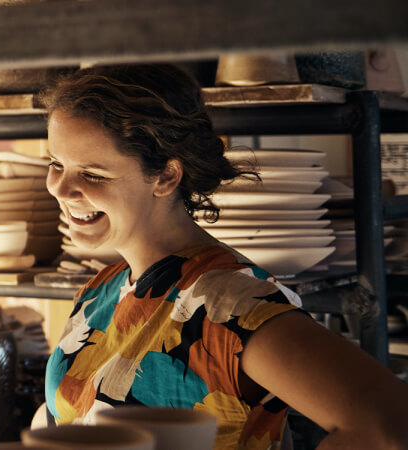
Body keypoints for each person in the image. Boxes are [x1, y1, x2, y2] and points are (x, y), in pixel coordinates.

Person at [40, 64, 408, 449]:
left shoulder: (231, 305)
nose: (61, 189)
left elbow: (389, 425)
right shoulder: (100, 289)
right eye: (56, 165)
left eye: (92, 174)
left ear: (166, 176)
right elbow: (70, 415)